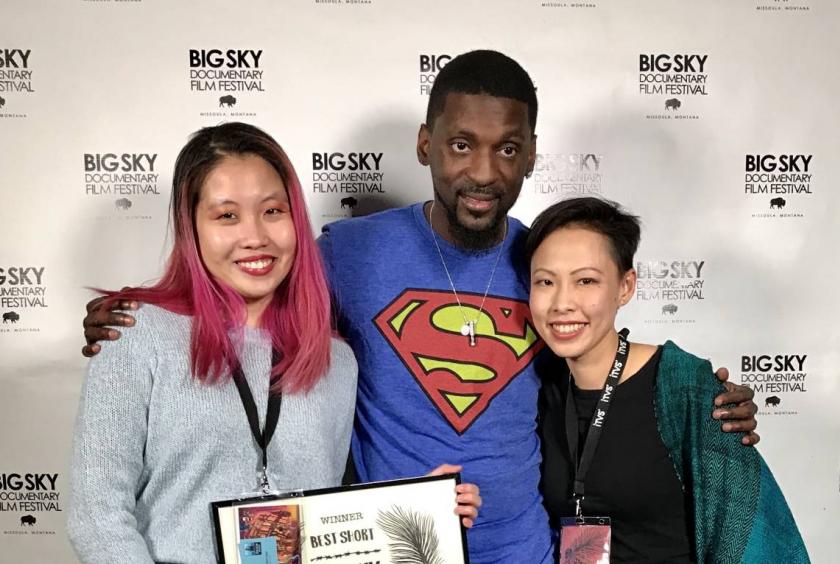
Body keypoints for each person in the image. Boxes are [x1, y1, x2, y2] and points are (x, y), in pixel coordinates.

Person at [79, 52, 756, 564]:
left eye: (508, 149)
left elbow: (600, 359)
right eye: (461, 145)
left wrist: (701, 402)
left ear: (531, 158)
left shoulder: (545, 264)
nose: (484, 171)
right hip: (388, 551)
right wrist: (137, 315)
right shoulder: (346, 252)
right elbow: (249, 284)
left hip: (522, 550)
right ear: (426, 145)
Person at [67, 123, 480, 564]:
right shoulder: (135, 334)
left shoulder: (336, 361)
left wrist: (422, 506)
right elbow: (97, 516)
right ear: (193, 227)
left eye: (272, 211)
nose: (255, 236)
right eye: (227, 215)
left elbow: (334, 519)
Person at [527, 197, 808, 563]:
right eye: (546, 281)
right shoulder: (538, 387)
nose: (562, 302)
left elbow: (746, 531)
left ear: (625, 287)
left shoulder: (681, 388)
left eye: (586, 281)